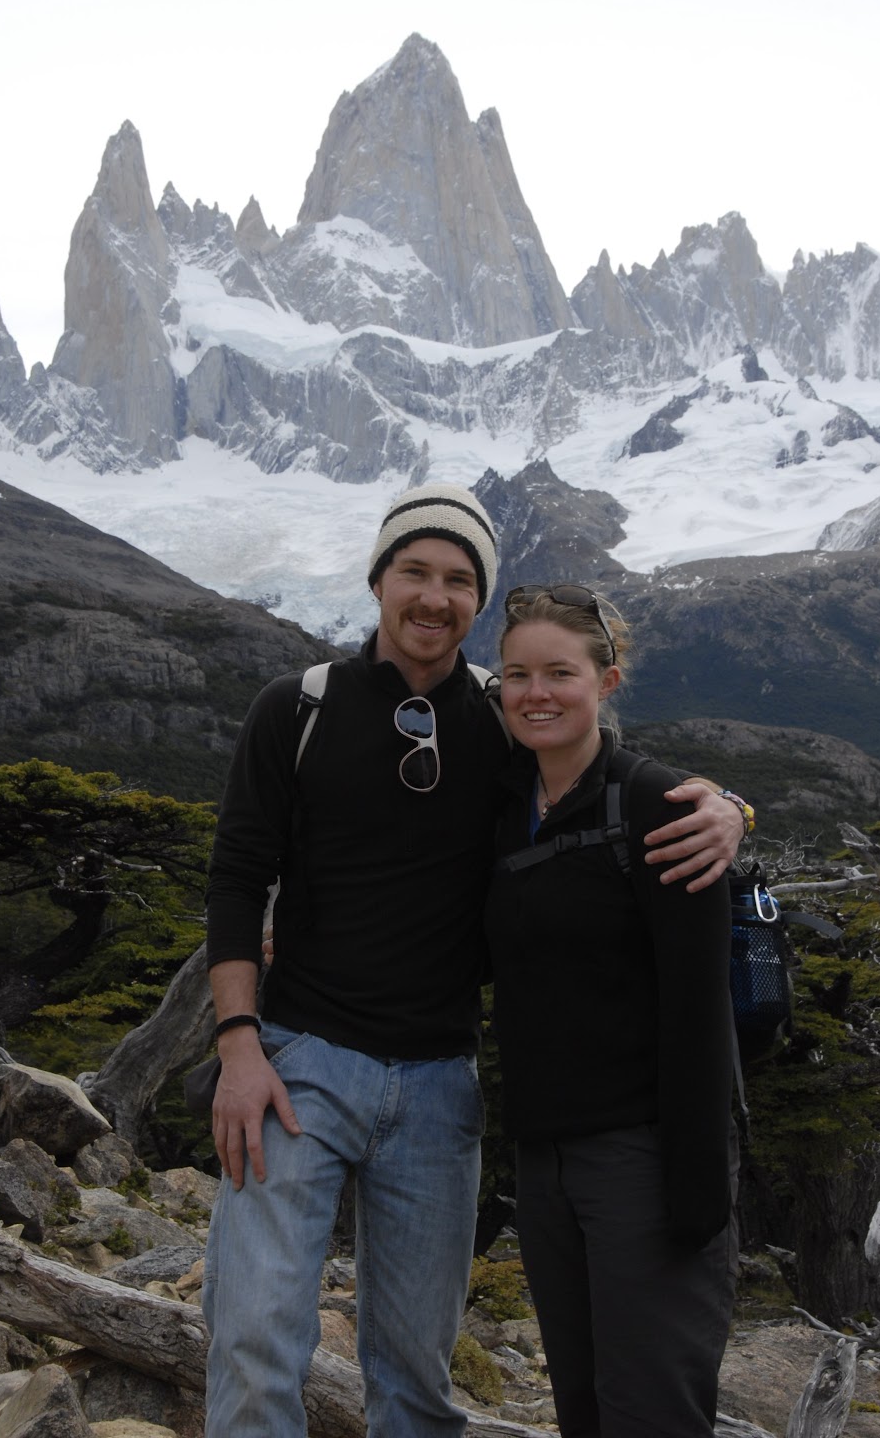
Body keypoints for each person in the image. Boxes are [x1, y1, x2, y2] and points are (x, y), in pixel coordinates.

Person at [202, 484, 744, 1438]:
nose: (433, 595)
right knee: (253, 1341)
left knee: (418, 1377)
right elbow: (238, 878)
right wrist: (238, 1047)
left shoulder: (501, 719)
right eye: (414, 570)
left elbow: (602, 778)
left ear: (478, 600)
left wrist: (731, 809)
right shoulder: (298, 709)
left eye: (458, 579)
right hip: (299, 1062)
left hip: (439, 1084)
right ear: (378, 579)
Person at [485, 585, 738, 1438]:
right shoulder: (505, 809)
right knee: (582, 1410)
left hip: (643, 1160)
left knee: (649, 1412)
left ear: (607, 681)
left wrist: (696, 1195)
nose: (536, 693)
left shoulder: (659, 808)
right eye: (517, 675)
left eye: (560, 673)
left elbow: (699, 1011)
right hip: (544, 1162)